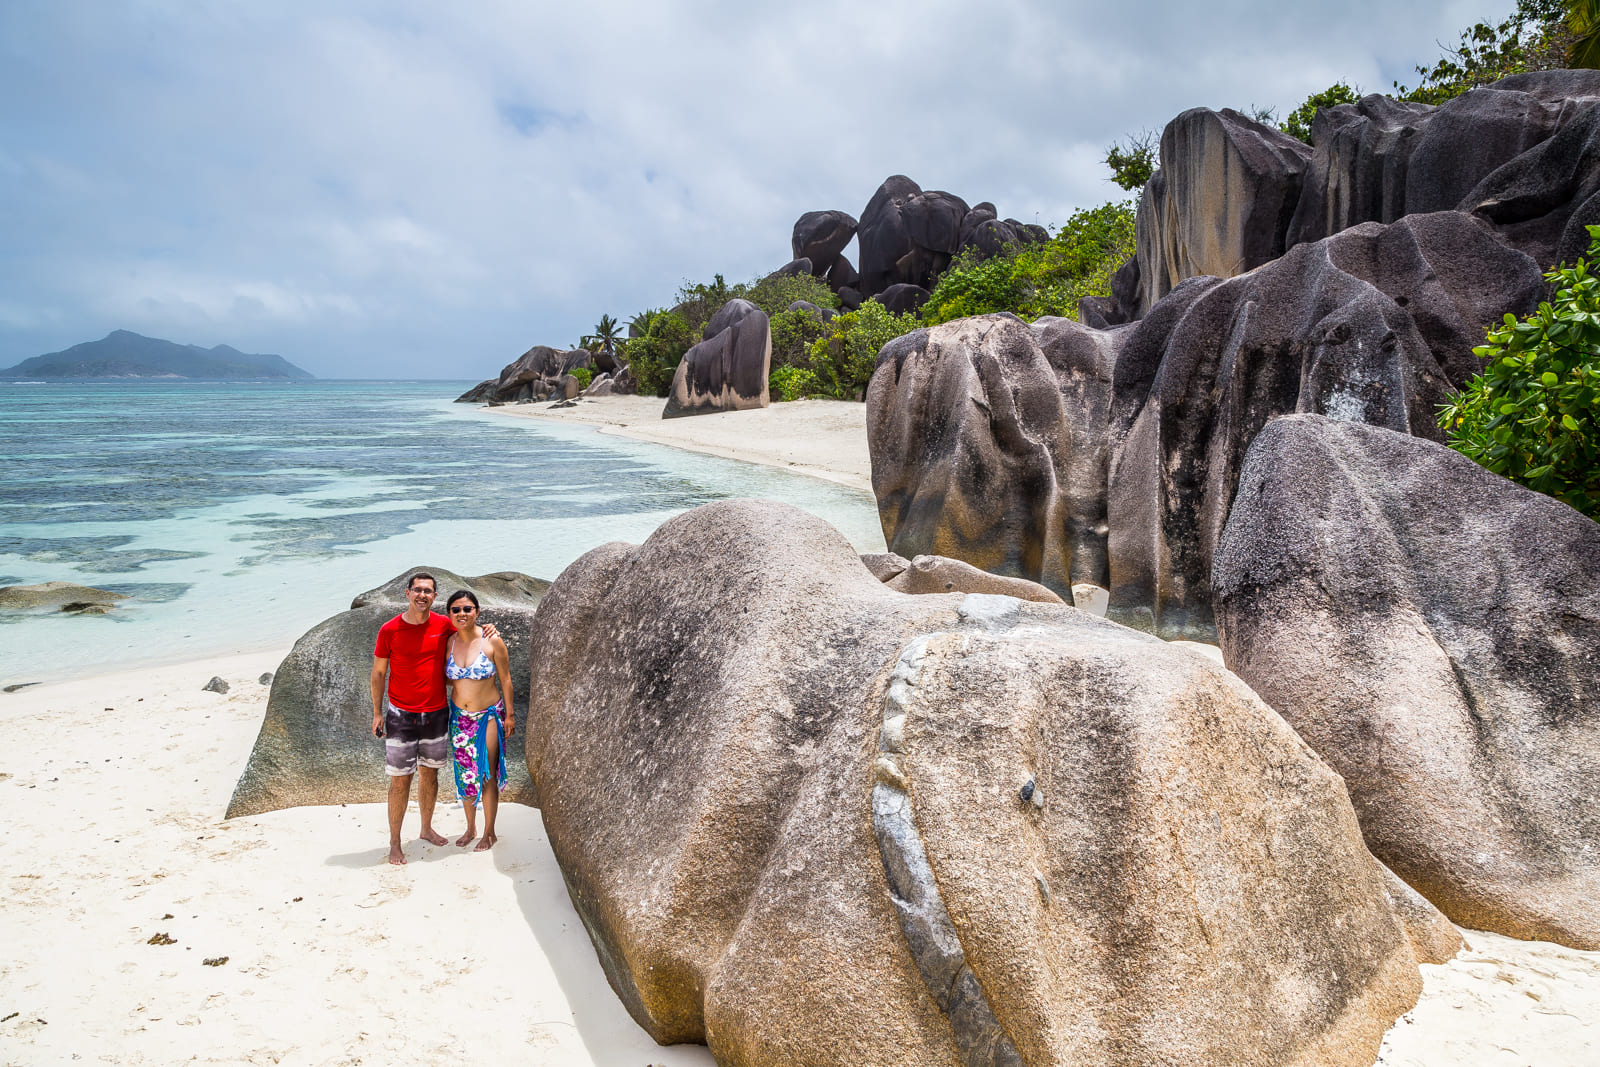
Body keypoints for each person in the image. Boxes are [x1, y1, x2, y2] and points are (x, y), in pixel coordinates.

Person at [369, 572, 497, 866]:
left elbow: (470, 629)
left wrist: (489, 628)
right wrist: (377, 712)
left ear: (434, 597)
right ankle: (395, 842)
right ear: (407, 593)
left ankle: (426, 829)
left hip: (437, 713)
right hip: (401, 715)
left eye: (428, 591)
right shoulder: (389, 630)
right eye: (417, 590)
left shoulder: (443, 625)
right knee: (400, 782)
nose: (422, 595)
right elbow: (378, 673)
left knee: (430, 774)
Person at [442, 589, 514, 852]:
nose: (462, 613)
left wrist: (510, 715)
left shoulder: (492, 641)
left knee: (486, 773)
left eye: (468, 608)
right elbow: (446, 678)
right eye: (456, 609)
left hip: (489, 717)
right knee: (465, 775)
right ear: (449, 614)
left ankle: (489, 832)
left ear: (477, 611)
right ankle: (470, 827)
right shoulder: (448, 642)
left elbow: (506, 679)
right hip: (459, 718)